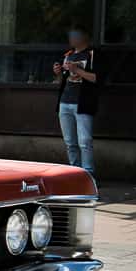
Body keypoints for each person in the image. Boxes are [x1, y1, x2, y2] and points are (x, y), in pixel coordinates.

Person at [52, 28, 99, 177]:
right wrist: (58, 73)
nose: (72, 39)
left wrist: (77, 70)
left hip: (83, 102)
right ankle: (75, 174)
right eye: (71, 36)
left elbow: (96, 78)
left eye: (75, 36)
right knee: (70, 142)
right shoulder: (68, 55)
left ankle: (88, 175)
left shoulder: (92, 54)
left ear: (84, 37)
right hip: (65, 102)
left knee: (85, 141)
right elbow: (62, 80)